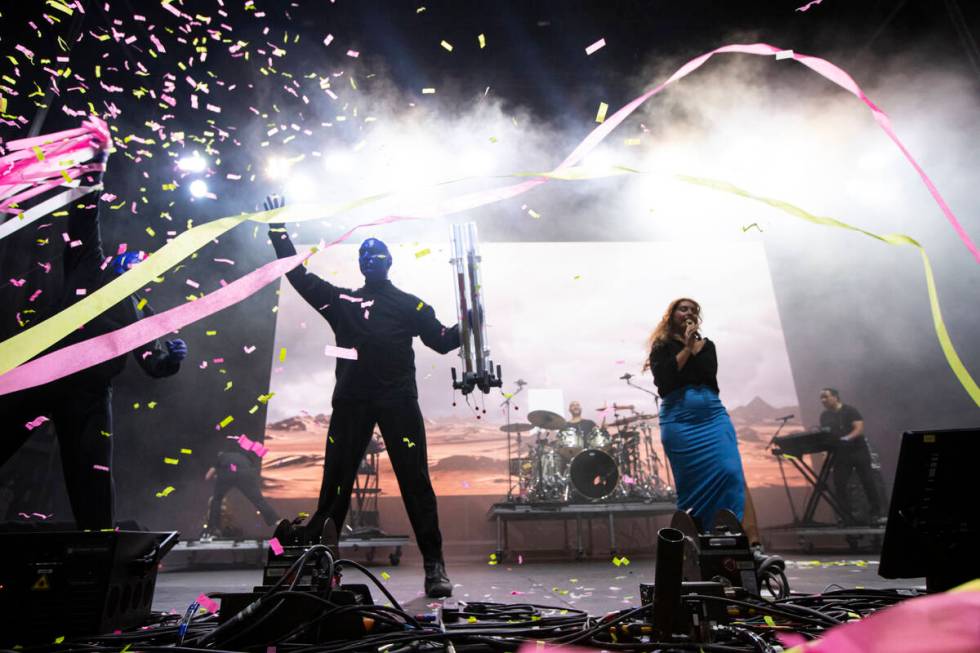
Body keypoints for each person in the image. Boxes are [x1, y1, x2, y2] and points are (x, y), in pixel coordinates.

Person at [264, 194, 459, 598]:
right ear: (360, 265)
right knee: (334, 485)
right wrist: (279, 233)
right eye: (365, 254)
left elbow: (441, 341)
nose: (371, 258)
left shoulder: (409, 304)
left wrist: (470, 323)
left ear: (389, 262)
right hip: (352, 402)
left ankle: (434, 565)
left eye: (378, 253)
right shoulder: (341, 301)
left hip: (398, 401)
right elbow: (299, 278)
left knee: (415, 482)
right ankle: (322, 567)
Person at [0, 148, 186, 530]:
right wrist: (91, 174)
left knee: (92, 474)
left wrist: (172, 360)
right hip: (44, 374)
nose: (137, 265)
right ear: (117, 262)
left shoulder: (140, 313)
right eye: (133, 259)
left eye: (143, 266)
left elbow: (153, 365)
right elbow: (85, 219)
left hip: (89, 393)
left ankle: (99, 546)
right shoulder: (89, 266)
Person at [645, 298, 745, 531]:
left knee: (730, 471)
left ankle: (727, 530)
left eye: (693, 310)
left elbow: (707, 375)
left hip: (711, 416)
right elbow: (665, 379)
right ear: (672, 315)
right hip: (679, 419)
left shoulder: (707, 346)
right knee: (690, 482)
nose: (688, 313)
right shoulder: (662, 346)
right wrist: (687, 348)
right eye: (683, 309)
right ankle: (696, 534)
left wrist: (695, 347)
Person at [818, 388, 883, 526]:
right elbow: (826, 435)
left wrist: (846, 438)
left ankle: (876, 513)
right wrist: (825, 452)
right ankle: (846, 516)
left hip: (858, 451)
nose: (823, 400)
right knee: (839, 484)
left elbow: (859, 429)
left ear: (835, 397)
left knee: (867, 481)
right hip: (841, 454)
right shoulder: (824, 416)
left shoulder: (850, 410)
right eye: (821, 398)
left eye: (826, 397)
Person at [201, 443, 280, 541]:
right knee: (258, 499)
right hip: (246, 474)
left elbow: (207, 476)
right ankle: (276, 520)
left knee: (216, 500)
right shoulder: (244, 456)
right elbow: (254, 472)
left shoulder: (221, 456)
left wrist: (217, 477)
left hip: (226, 474)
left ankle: (213, 530)